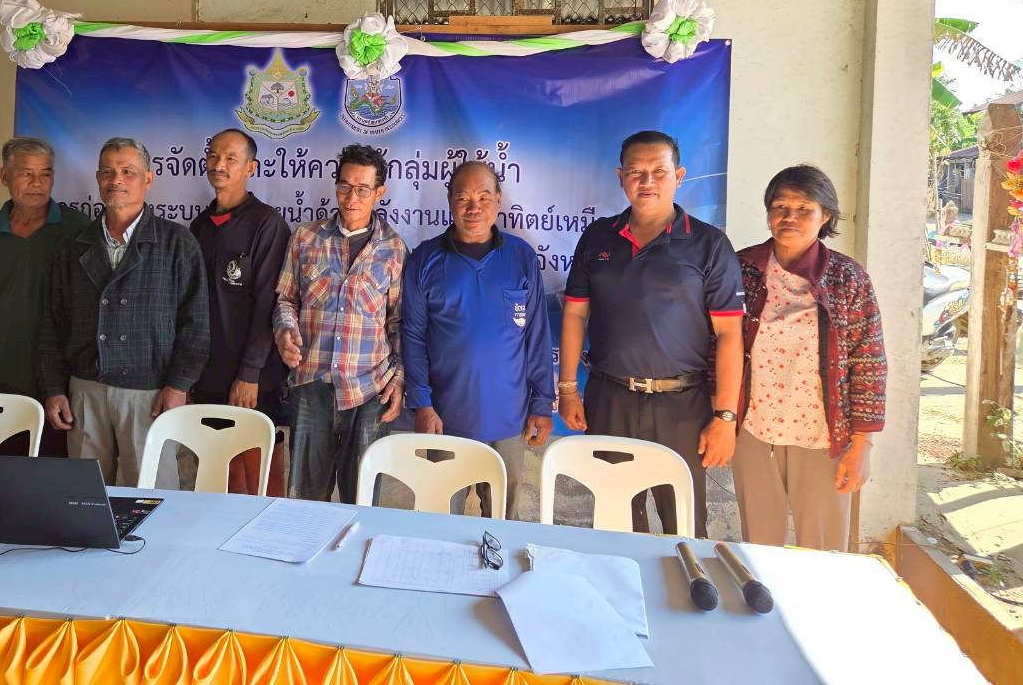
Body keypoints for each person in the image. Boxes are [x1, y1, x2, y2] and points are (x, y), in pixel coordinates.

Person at [558, 130, 744, 538]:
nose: (647, 181)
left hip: (683, 406)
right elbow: (574, 314)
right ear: (620, 177)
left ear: (679, 176)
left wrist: (725, 417)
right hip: (610, 399)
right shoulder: (598, 237)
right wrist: (568, 389)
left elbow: (730, 334)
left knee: (684, 524)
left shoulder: (709, 244)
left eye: (659, 171)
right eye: (636, 172)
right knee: (616, 521)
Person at [36, 137, 209, 486]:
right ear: (98, 178)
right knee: (84, 496)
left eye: (128, 172)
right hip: (85, 389)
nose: (116, 180)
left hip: (150, 392)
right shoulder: (73, 245)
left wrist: (178, 385)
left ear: (148, 179)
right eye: (108, 172)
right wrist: (54, 388)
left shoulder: (177, 243)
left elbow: (196, 324)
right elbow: (51, 324)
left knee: (151, 496)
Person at [731, 165, 887, 552]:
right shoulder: (742, 268)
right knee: (760, 548)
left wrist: (862, 445)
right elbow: (717, 343)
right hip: (754, 431)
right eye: (780, 206)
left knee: (823, 553)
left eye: (804, 208)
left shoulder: (848, 278)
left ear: (825, 216)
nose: (790, 217)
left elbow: (869, 363)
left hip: (822, 436)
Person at [402, 161, 554, 519]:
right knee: (440, 518)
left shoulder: (521, 256)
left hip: (510, 419)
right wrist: (422, 403)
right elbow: (413, 336)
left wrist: (542, 403)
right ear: (449, 201)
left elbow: (536, 334)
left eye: (484, 197)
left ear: (499, 200)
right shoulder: (425, 259)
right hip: (443, 419)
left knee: (504, 521)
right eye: (463, 198)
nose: (474, 208)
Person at [274, 144, 407, 503]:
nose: (352, 197)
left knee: (361, 501)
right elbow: (286, 300)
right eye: (345, 186)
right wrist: (285, 331)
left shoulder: (394, 249)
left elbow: (399, 323)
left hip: (369, 390)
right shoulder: (306, 237)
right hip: (311, 384)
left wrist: (399, 378)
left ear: (380, 192)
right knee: (305, 501)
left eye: (363, 189)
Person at [0, 137, 88, 457]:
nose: (37, 183)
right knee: (4, 468)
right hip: (1, 374)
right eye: (25, 174)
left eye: (45, 173)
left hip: (62, 380)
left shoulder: (78, 229)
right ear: (4, 176)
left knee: (56, 470)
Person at [189, 128, 291, 495]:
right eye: (214, 155)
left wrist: (250, 373)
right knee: (222, 477)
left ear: (250, 168)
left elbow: (269, 304)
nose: (219, 164)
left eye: (231, 158)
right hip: (209, 375)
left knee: (261, 480)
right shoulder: (200, 226)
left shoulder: (267, 224)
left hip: (253, 378)